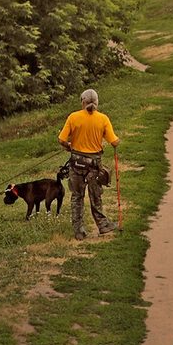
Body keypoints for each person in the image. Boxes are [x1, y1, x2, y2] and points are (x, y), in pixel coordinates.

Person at [58, 87, 119, 239]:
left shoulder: (73, 117)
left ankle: (79, 231)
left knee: (77, 196)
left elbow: (61, 139)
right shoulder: (103, 119)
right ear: (97, 103)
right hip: (94, 165)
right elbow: (114, 142)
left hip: (76, 163)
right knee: (95, 196)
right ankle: (103, 226)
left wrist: (69, 147)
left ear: (82, 102)